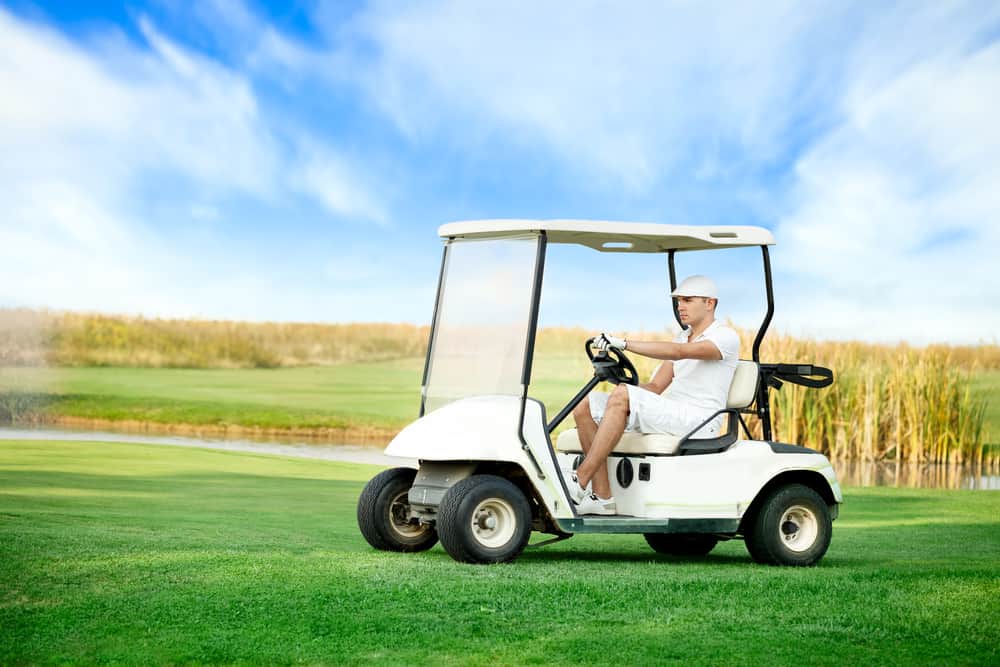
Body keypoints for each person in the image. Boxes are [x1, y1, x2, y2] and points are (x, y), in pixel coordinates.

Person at [569, 275, 740, 515]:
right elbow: (657, 386)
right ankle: (603, 497)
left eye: (688, 300)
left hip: (700, 420)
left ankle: (580, 478)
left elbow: (680, 353)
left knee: (622, 396)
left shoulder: (725, 337)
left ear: (709, 303)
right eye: (679, 300)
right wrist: (623, 390)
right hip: (671, 411)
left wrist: (624, 344)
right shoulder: (682, 336)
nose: (680, 306)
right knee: (584, 406)